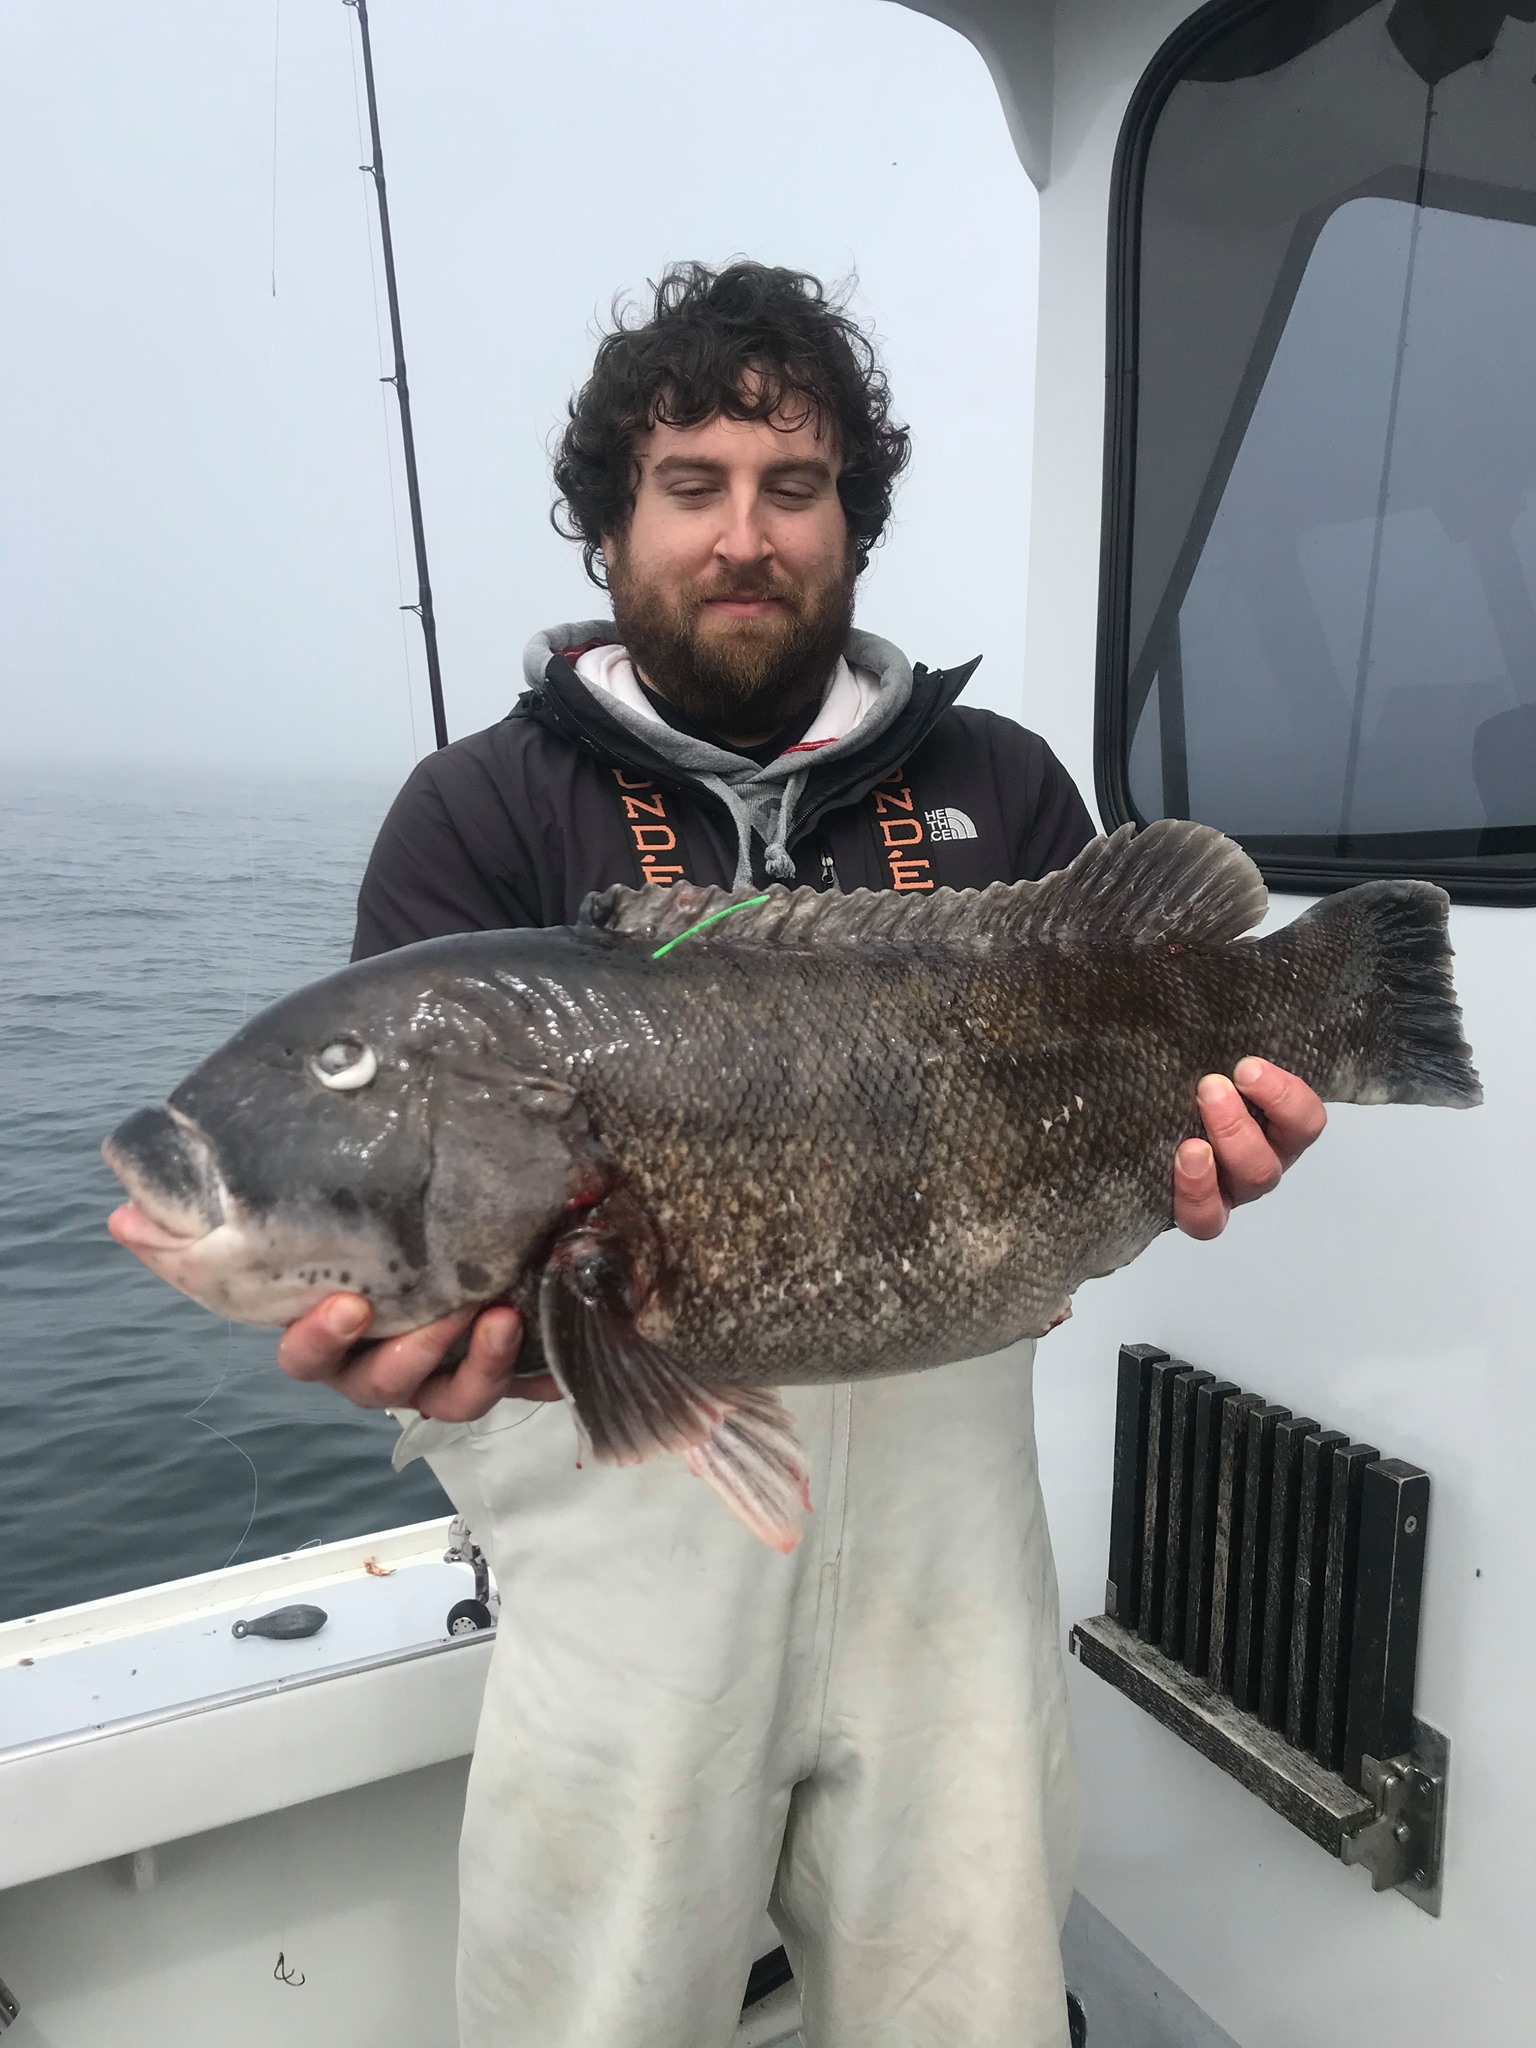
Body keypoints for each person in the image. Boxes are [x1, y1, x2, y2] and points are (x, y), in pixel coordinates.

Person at [277, 263, 1326, 2048]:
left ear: (853, 518)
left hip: (951, 1560)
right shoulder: (476, 816)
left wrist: (1197, 1155)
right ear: (613, 522)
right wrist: (448, 1339)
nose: (744, 535)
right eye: (690, 485)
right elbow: (429, 1198)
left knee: (972, 2005)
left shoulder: (1004, 783)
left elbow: (1116, 1104)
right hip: (623, 1561)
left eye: (795, 485)